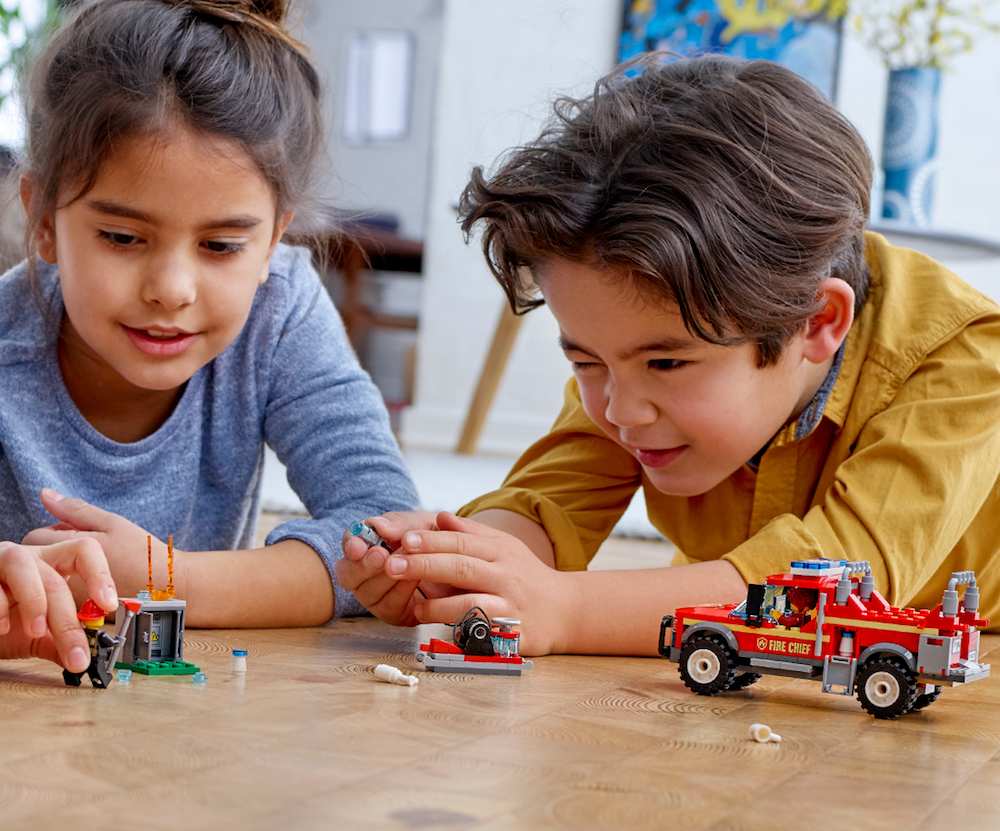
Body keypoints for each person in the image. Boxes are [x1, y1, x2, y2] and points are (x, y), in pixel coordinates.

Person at [338, 54, 1000, 656]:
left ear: (817, 322)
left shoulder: (964, 356)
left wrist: (564, 611)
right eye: (585, 361)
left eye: (665, 365)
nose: (621, 409)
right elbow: (553, 500)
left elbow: (839, 586)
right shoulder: (628, 354)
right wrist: (457, 566)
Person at [0, 0, 417, 670]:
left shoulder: (280, 309)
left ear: (274, 240)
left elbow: (385, 534)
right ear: (46, 219)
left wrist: (170, 577)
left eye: (223, 245)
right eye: (123, 238)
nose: (172, 288)